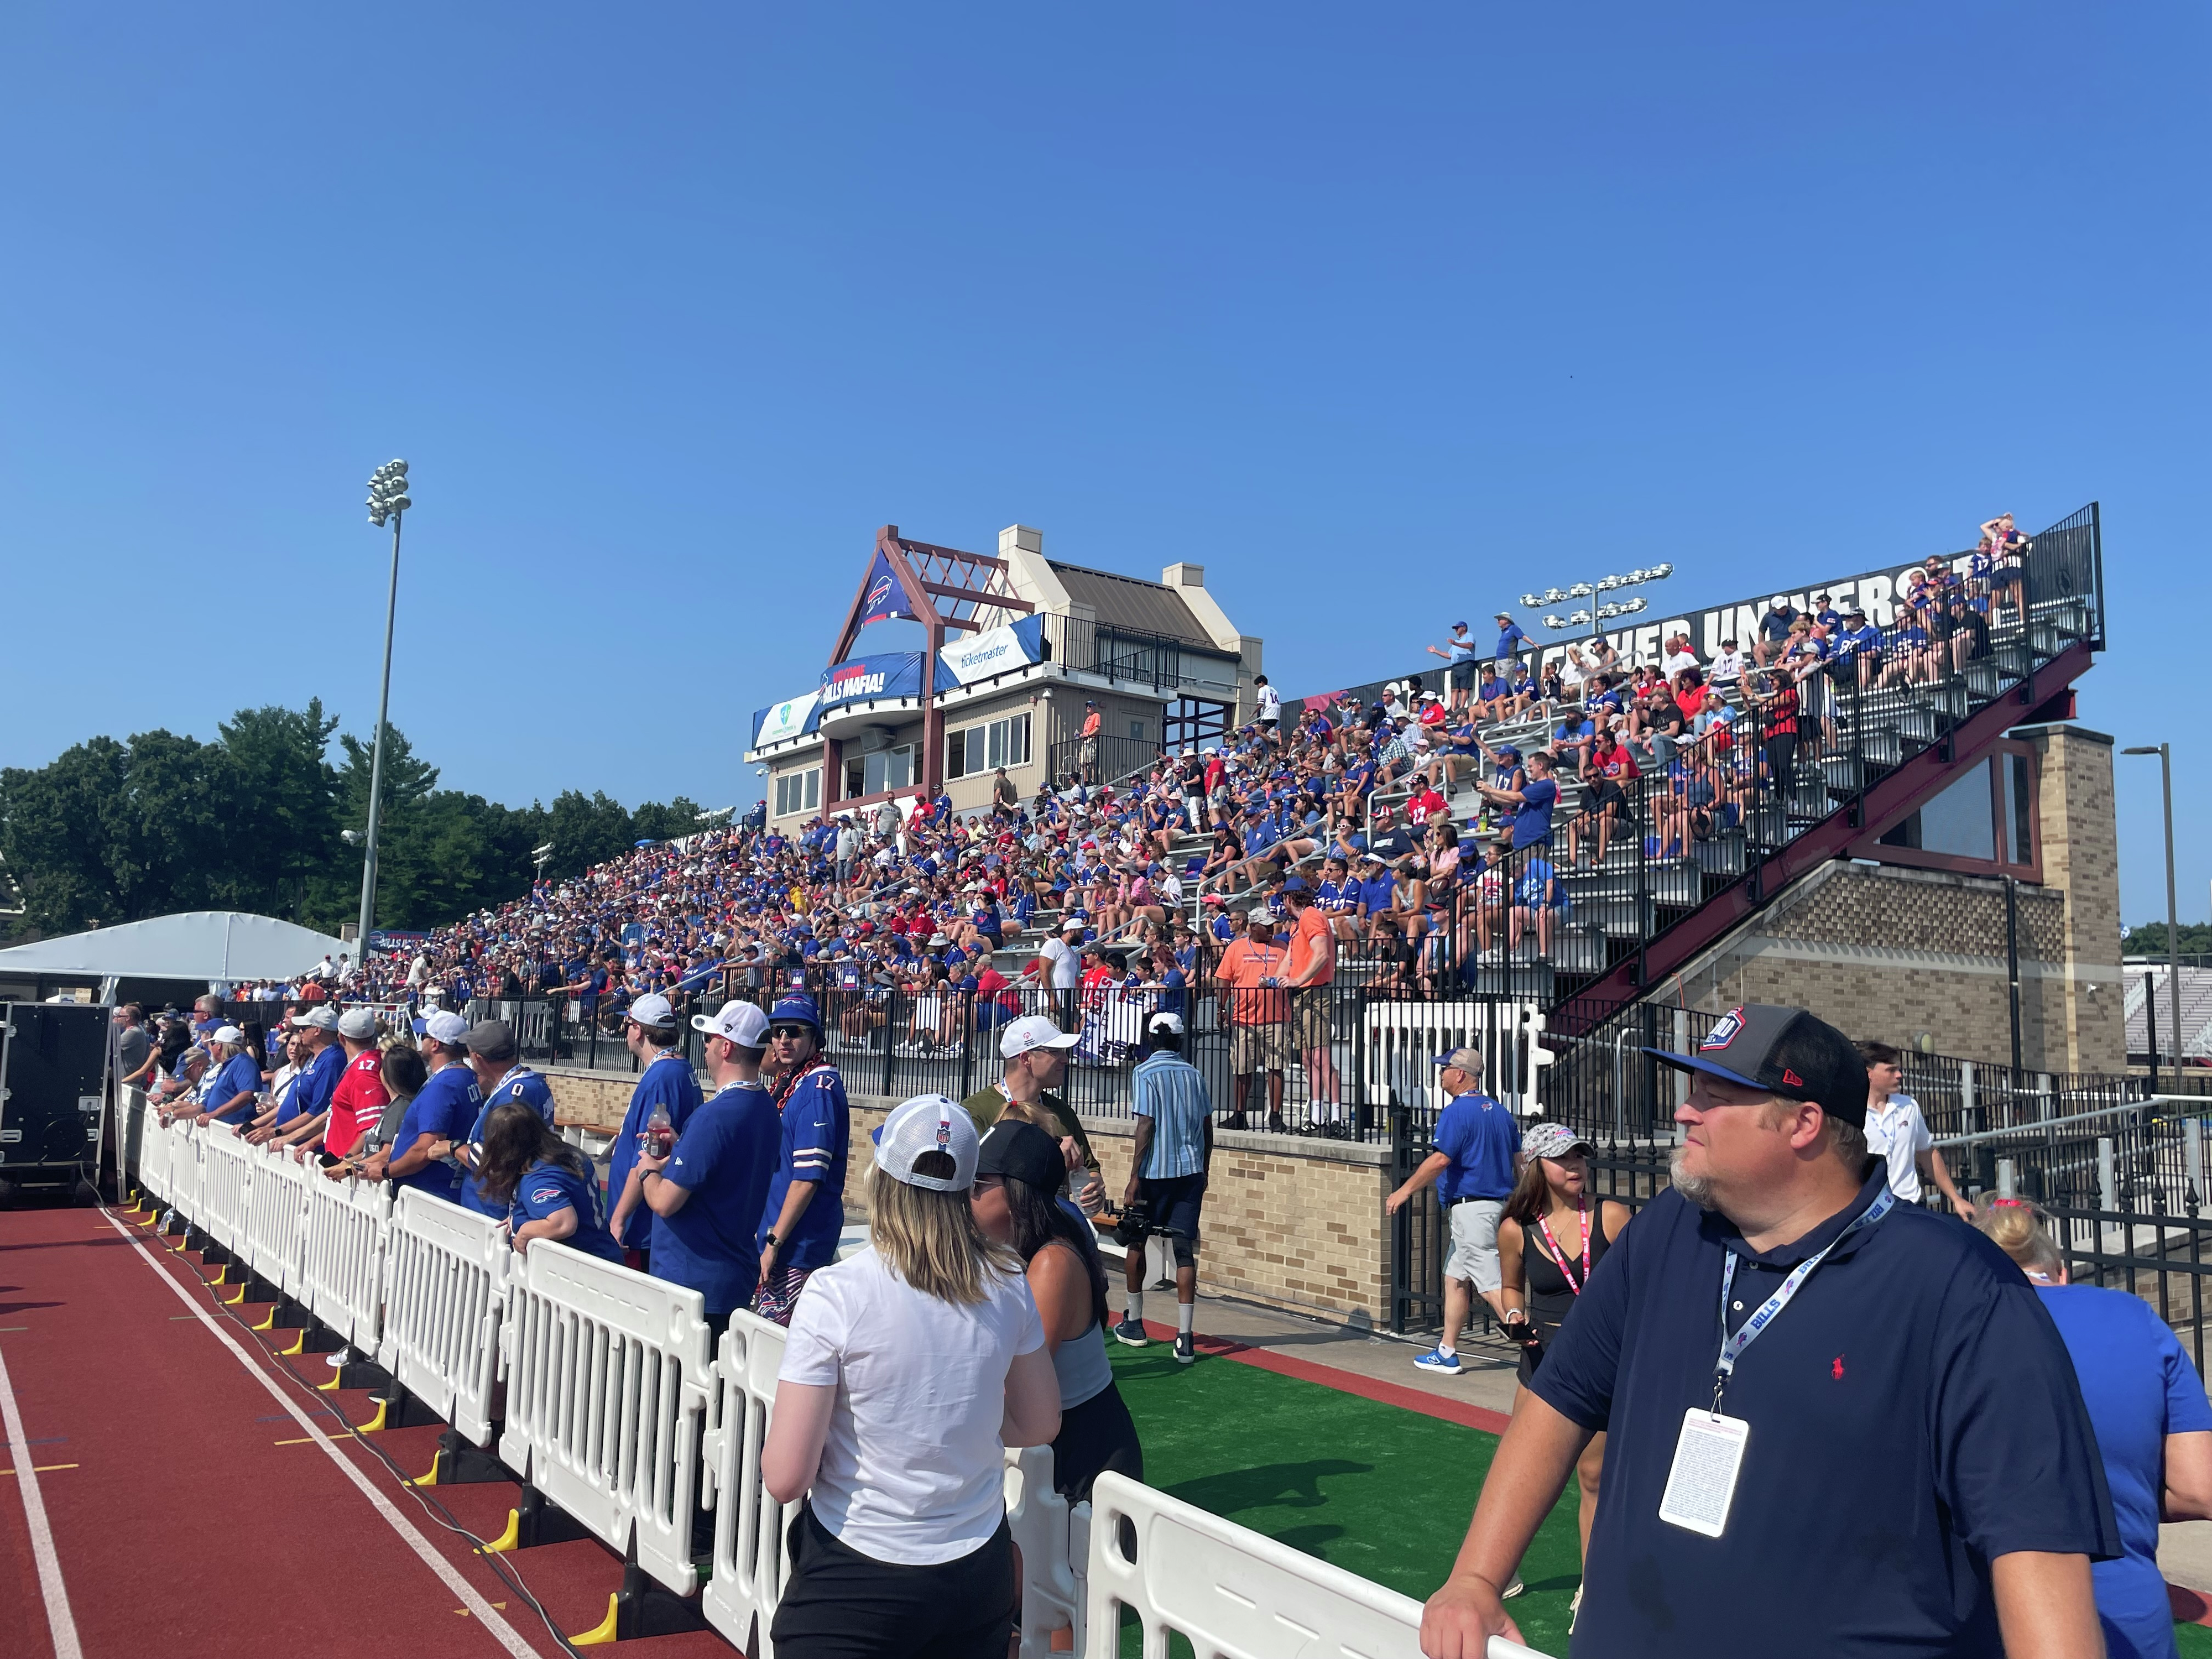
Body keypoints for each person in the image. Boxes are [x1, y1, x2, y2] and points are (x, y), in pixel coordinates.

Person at [1417, 1003, 2119, 1659]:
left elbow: (2036, 1541)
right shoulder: (1668, 1230)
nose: (1682, 1112)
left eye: (1714, 1100)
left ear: (1802, 1123)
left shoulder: (1957, 1283)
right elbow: (1558, 1399)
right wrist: (1477, 1577)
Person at [761, 1092, 1061, 1659]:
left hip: (859, 1569)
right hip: (974, 1568)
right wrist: (953, 1425)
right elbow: (1040, 1421)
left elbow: (785, 1477)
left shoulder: (837, 1293)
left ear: (883, 1178)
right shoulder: (1007, 1281)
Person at [1978, 1199, 2212, 1659]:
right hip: (2128, 1619)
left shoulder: (1958, 1330)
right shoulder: (2136, 1319)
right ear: (2060, 1271)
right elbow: (2198, 1488)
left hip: (2000, 1620)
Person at [971, 1118, 1144, 1501]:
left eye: (978, 1185)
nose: (966, 1197)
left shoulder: (1052, 1262)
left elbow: (1017, 1378)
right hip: (1053, 1438)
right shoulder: (1011, 1244)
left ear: (1017, 1193)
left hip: (1084, 1450)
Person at [1497, 1123, 1633, 1589]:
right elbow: (1512, 1286)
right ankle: (1499, 1567)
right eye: (1563, 1158)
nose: (1576, 1165)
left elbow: (1644, 1283)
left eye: (1580, 1156)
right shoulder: (1516, 1228)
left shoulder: (1611, 1215)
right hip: (1541, 1359)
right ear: (1537, 1166)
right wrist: (1514, 1313)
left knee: (1593, 1475)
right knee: (1521, 1468)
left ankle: (1590, 1586)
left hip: (1599, 1361)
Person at [626, 1001, 780, 1335]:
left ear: (726, 1047)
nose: (705, 1046)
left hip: (692, 1286)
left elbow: (664, 1202)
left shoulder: (715, 1116)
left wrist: (648, 1169)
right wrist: (684, 1146)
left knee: (676, 1386)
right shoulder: (766, 1106)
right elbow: (729, 1164)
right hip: (731, 1277)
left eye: (710, 1039)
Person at [1385, 1046, 1520, 1375]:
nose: (1441, 1074)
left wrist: (1403, 1190)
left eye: (1445, 1068)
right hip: (1495, 1209)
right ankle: (1447, 1351)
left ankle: (1542, 1355)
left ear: (1460, 1074)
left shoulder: (1457, 1112)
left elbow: (1441, 1159)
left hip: (1471, 1211)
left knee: (1492, 1286)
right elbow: (1521, 1164)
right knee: (1455, 1278)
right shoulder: (1501, 1113)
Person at [1113, 1010, 1213, 1364]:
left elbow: (1146, 1125)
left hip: (1153, 1173)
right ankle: (1185, 1338)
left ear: (1152, 1038)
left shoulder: (1144, 1072)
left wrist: (1134, 1176)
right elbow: (1207, 1126)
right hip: (1189, 1172)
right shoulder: (1195, 1074)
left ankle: (1135, 1322)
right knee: (1184, 1250)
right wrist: (1204, 1170)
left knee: (1136, 1241)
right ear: (1180, 1040)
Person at [757, 993, 851, 1325]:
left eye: (795, 1031)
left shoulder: (818, 1088)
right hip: (783, 1237)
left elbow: (808, 1178)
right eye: (777, 1031)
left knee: (775, 1341)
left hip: (797, 1244)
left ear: (814, 1037)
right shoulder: (793, 1081)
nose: (784, 1039)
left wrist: (774, 1243)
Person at [959, 1014, 1105, 1213]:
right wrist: (1050, 1159)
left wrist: (1095, 1188)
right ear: (1026, 1058)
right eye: (1055, 1052)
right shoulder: (975, 1112)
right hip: (998, 1238)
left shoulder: (1062, 1111)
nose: (1066, 1059)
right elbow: (969, 1186)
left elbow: (1091, 1168)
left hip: (1051, 1232)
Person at [606, 992, 706, 1269]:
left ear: (638, 1030)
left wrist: (619, 1218)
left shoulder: (663, 1076)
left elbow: (648, 1157)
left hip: (641, 1227)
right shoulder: (676, 1067)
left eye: (627, 1025)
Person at [476, 1100, 623, 1262]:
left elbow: (563, 1223)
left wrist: (524, 1231)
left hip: (584, 1268)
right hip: (602, 1252)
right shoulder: (568, 1155)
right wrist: (518, 1218)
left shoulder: (538, 1176)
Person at [364, 1009, 481, 1201]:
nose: (420, 1041)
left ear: (435, 1044)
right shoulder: (466, 1075)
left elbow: (426, 1149)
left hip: (426, 1193)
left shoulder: (443, 1084)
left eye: (425, 1036)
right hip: (438, 1189)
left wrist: (386, 1171)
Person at [1858, 1039, 1975, 1219]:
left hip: (1912, 1205)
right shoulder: (1851, 1112)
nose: (1899, 1075)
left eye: (1898, 1069)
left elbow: (1928, 1153)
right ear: (1869, 1074)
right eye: (1891, 1070)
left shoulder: (1909, 1106)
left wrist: (1956, 1198)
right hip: (1871, 1211)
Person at [455, 1020, 557, 1217]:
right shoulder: (532, 1081)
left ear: (477, 1058)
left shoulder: (513, 1095)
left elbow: (493, 1161)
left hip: (496, 1210)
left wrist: (452, 1148)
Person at [1215, 907, 1290, 1133]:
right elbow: (1224, 980)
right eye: (1265, 926)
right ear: (1253, 927)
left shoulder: (1283, 947)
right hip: (1243, 1018)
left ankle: (1275, 1116)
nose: (1270, 929)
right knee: (1242, 1068)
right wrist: (1221, 1008)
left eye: (1272, 925)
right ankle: (1239, 1115)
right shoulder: (1236, 948)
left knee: (1276, 1067)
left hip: (1277, 1016)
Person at [1279, 876, 1343, 1134]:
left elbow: (1322, 955)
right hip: (1302, 994)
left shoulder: (1312, 917)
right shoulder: (1298, 925)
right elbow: (1290, 960)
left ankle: (1337, 1118)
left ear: (1288, 898)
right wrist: (1272, 981)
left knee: (1321, 1057)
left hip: (1315, 993)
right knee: (1308, 1058)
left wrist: (1298, 981)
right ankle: (1317, 1115)